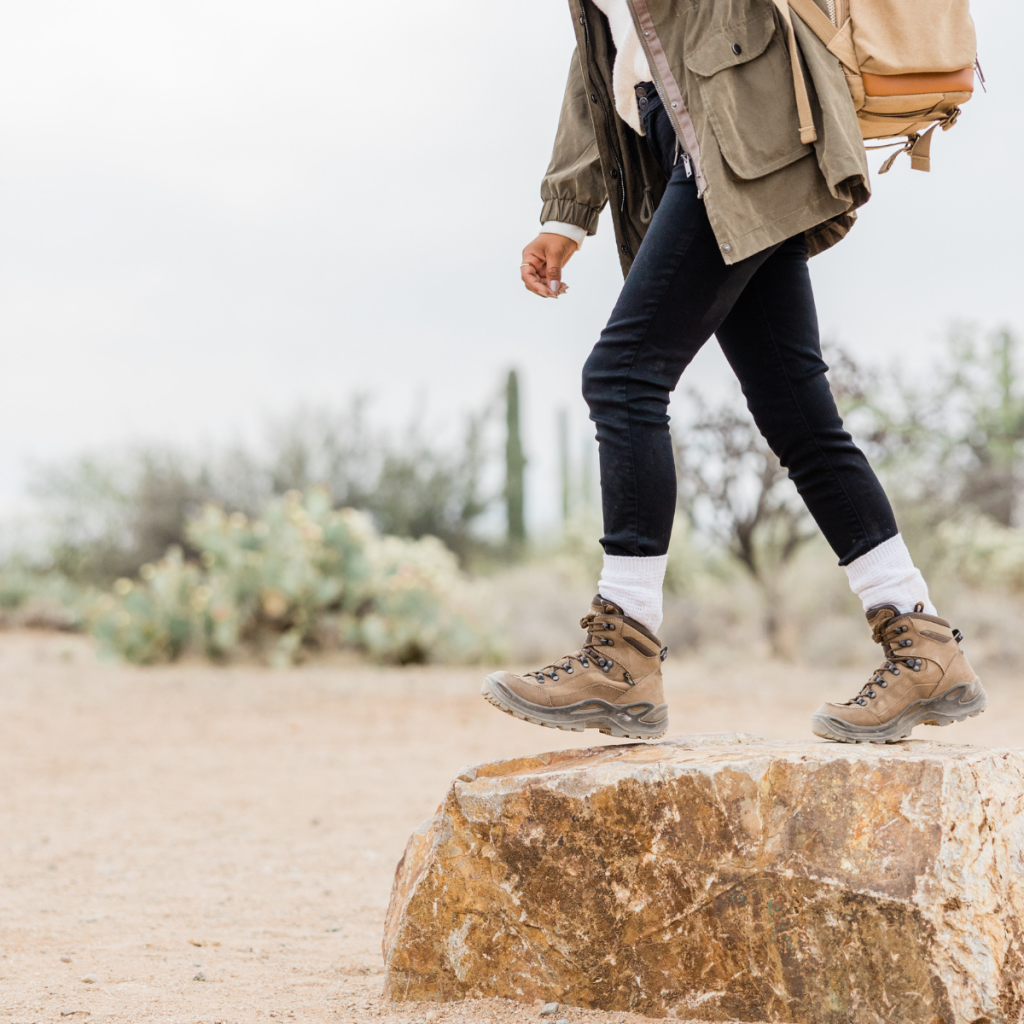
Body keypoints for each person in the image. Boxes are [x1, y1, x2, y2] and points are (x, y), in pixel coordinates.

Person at [481, 0, 988, 744]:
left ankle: (622, 657)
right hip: (695, 131)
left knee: (623, 376)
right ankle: (923, 646)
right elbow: (600, 58)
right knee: (799, 414)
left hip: (741, 123)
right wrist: (566, 211)